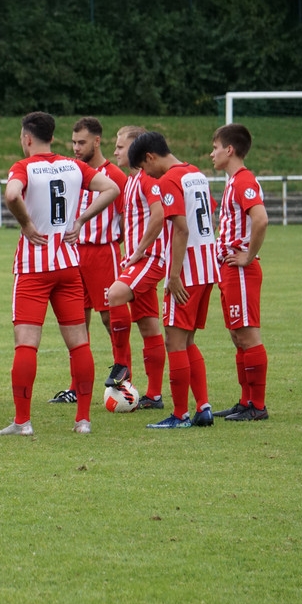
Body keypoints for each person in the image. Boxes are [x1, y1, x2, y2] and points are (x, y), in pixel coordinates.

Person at [0, 112, 120, 436]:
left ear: (26, 138)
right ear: (53, 137)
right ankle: (83, 421)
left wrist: (25, 223)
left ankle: (22, 422)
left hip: (34, 267)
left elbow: (11, 195)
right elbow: (111, 189)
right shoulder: (73, 166)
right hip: (68, 264)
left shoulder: (24, 167)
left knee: (26, 344)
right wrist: (80, 221)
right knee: (79, 343)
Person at [127, 131, 218, 429]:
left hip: (187, 271)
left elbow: (181, 229)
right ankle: (203, 407)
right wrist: (141, 250)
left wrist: (174, 275)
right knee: (188, 340)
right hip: (207, 268)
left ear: (151, 157)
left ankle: (180, 415)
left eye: (143, 167)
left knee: (174, 341)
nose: (145, 174)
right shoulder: (196, 174)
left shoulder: (168, 180)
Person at [49, 117, 130, 404]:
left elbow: (127, 217)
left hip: (103, 253)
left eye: (81, 142)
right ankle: (76, 387)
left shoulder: (115, 177)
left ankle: (124, 378)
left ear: (97, 141)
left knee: (110, 317)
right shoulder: (72, 172)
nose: (76, 147)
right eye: (73, 142)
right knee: (76, 321)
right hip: (74, 254)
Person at [209, 123, 270, 421]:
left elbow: (260, 220)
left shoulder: (244, 181)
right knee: (237, 335)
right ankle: (246, 401)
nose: (212, 154)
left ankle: (257, 405)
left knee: (247, 334)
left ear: (229, 149)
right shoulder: (234, 181)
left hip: (241, 270)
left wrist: (248, 256)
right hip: (229, 269)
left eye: (215, 147)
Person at [106, 125, 167, 409]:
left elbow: (160, 214)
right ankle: (154, 395)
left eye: (120, 147)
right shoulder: (131, 181)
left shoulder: (146, 179)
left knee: (115, 294)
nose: (115, 151)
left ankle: (121, 365)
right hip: (137, 259)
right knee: (148, 326)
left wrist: (140, 250)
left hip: (150, 258)